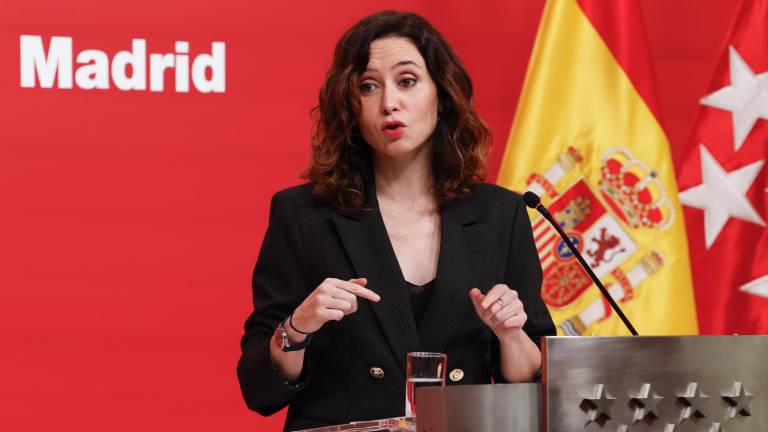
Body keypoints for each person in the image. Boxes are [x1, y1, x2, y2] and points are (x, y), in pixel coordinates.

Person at [237, 10, 555, 431]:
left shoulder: (501, 215)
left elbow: (534, 384)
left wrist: (511, 334)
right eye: (368, 86)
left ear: (441, 95)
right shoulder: (304, 215)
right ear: (350, 106)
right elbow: (258, 389)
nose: (389, 102)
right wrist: (298, 327)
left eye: (407, 81)